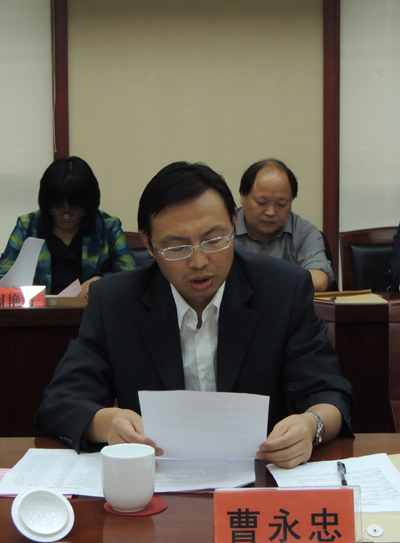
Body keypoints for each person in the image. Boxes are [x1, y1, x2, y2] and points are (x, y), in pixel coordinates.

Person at [35, 161, 353, 469]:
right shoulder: (116, 301)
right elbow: (61, 401)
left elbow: (328, 391)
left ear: (233, 221)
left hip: (262, 477)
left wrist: (312, 425)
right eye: (177, 247)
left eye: (214, 240)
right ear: (148, 242)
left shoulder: (283, 290)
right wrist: (107, 423)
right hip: (156, 481)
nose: (199, 261)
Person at [0, 156, 136, 296]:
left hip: (92, 308)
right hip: (39, 308)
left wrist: (101, 280)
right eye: (58, 209)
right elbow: (3, 277)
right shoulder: (27, 226)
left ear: (88, 205)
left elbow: (130, 275)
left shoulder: (107, 226)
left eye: (75, 210)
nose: (66, 216)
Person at [235, 158, 335, 292]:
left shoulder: (305, 232)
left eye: (281, 204)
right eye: (261, 202)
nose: (271, 212)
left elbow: (319, 280)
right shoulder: (223, 229)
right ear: (242, 195)